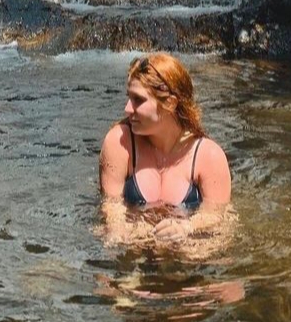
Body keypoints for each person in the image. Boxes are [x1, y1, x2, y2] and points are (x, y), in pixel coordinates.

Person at [98, 53, 231, 244]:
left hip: (184, 256)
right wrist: (120, 229)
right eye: (129, 97)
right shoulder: (119, 142)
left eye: (138, 100)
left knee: (198, 250)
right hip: (135, 248)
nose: (127, 108)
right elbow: (111, 207)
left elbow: (218, 217)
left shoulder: (208, 156)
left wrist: (187, 227)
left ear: (170, 103)